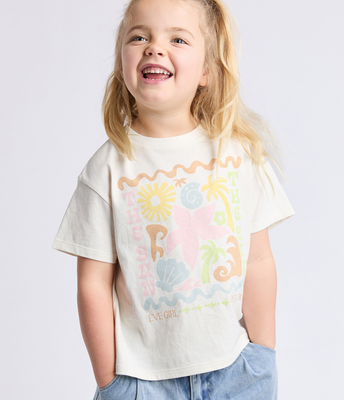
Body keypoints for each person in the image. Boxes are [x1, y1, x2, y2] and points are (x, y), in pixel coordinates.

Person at [52, 0, 295, 398]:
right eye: (139, 37)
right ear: (121, 63)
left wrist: (262, 354)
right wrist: (109, 380)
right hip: (142, 382)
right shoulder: (106, 170)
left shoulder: (239, 156)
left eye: (177, 39)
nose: (154, 47)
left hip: (236, 372)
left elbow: (258, 261)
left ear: (206, 71)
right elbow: (93, 282)